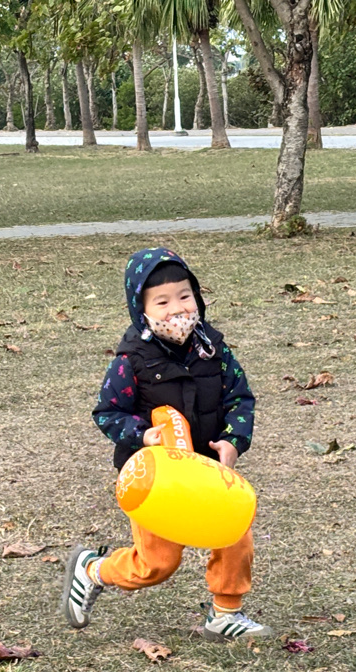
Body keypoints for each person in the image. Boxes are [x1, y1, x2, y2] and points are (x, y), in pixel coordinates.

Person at [61, 246, 269, 642]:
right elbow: (107, 413)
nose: (177, 309)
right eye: (162, 302)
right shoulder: (131, 360)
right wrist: (143, 435)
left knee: (234, 532)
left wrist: (233, 441)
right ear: (141, 309)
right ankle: (92, 570)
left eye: (184, 296)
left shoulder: (214, 350)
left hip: (208, 470)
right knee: (156, 564)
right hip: (155, 480)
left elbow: (240, 399)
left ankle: (225, 612)